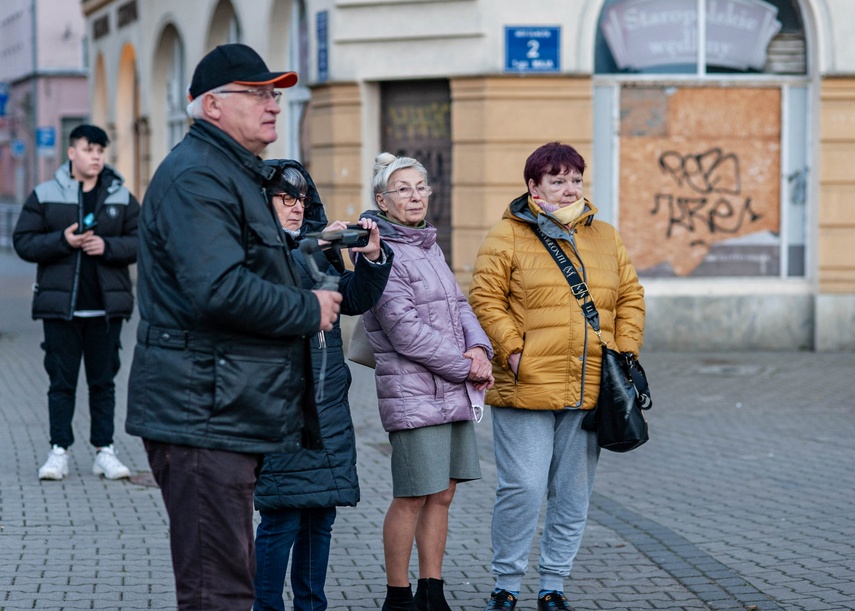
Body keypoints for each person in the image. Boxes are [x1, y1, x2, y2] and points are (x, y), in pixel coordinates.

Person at [124, 43, 342, 610]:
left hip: (223, 406)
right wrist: (308, 308)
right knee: (217, 590)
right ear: (211, 105)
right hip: (200, 414)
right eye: (256, 93)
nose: (273, 104)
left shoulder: (232, 172)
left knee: (228, 581)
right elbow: (217, 289)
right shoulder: (197, 177)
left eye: (275, 94)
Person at [468, 142, 646, 611]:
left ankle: (553, 585)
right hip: (526, 383)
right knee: (523, 488)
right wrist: (512, 351)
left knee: (572, 492)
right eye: (557, 180)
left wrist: (625, 352)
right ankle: (506, 584)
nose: (569, 189)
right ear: (534, 186)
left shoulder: (605, 236)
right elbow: (484, 298)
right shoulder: (506, 235)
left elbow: (631, 296)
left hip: (590, 386)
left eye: (575, 180)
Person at [252, 159, 393, 611]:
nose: (297, 208)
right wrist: (314, 245)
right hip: (280, 401)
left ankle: (312, 607)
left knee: (320, 516)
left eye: (302, 200)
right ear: (263, 202)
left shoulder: (313, 245)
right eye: (285, 199)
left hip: (328, 400)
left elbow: (353, 298)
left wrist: (371, 259)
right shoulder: (250, 246)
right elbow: (274, 285)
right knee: (281, 516)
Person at [359, 152, 495, 611]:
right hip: (413, 393)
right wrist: (466, 367)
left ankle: (431, 591)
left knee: (443, 493)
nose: (415, 196)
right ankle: (398, 596)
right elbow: (404, 331)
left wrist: (480, 349)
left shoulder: (427, 244)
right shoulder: (379, 251)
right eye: (403, 189)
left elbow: (459, 304)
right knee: (412, 495)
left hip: (449, 387)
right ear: (382, 200)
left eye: (421, 187)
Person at [13, 123, 140, 481]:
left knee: (103, 383)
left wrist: (108, 247)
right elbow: (23, 242)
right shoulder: (45, 194)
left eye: (100, 151)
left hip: (105, 310)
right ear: (72, 153)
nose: (95, 157)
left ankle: (105, 451)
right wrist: (62, 241)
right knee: (61, 383)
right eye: (88, 150)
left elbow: (143, 241)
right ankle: (59, 451)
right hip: (60, 310)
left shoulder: (120, 196)